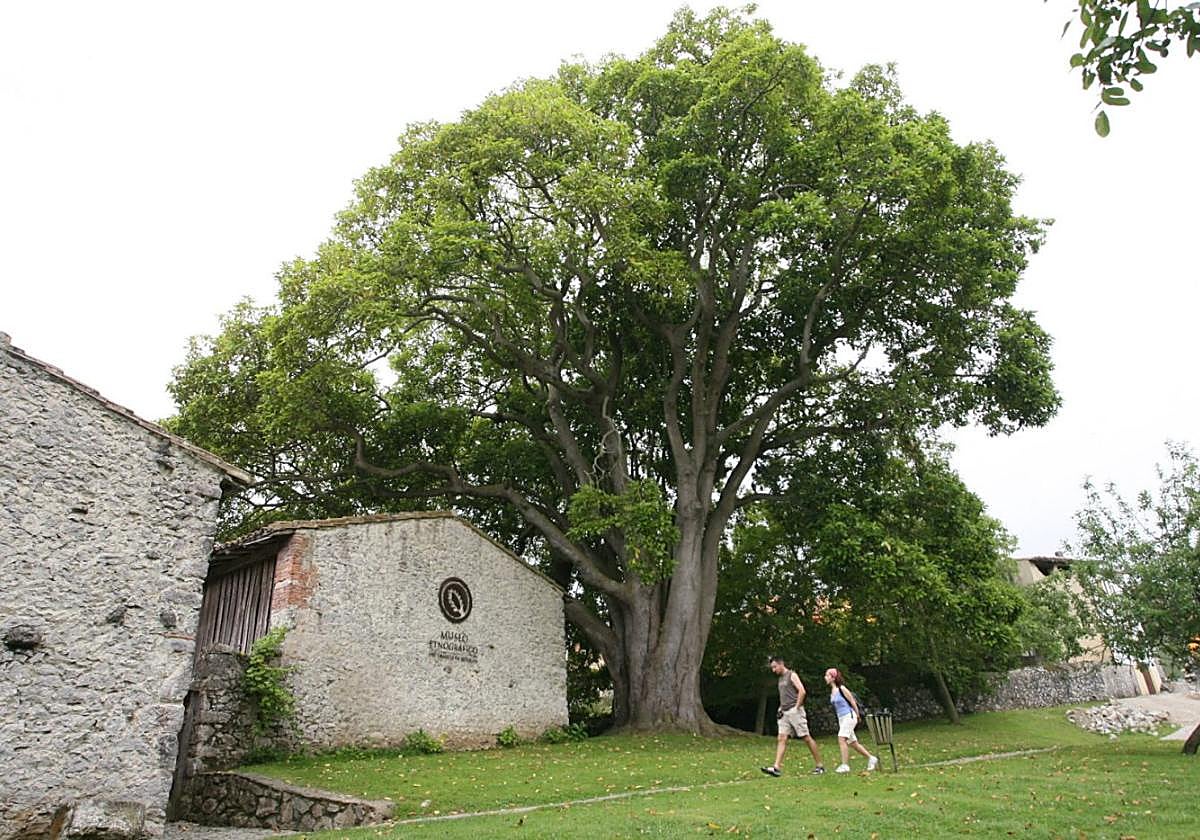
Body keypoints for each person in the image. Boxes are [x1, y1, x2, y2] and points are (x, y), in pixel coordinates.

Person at [761, 656, 825, 777]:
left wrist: (796, 707)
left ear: (781, 664)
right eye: (772, 668)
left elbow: (802, 691)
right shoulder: (780, 679)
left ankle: (820, 765)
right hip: (784, 713)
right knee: (781, 738)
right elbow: (784, 695)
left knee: (806, 737)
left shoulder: (792, 675)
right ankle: (776, 767)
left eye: (775, 667)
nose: (773, 670)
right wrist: (780, 708)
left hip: (795, 711)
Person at [825, 667, 878, 773]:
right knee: (853, 742)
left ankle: (845, 765)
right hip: (842, 718)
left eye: (827, 675)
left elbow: (852, 702)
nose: (825, 677)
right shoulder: (833, 691)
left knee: (841, 739)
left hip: (849, 716)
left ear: (833, 677)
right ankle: (871, 758)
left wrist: (857, 715)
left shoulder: (842, 689)